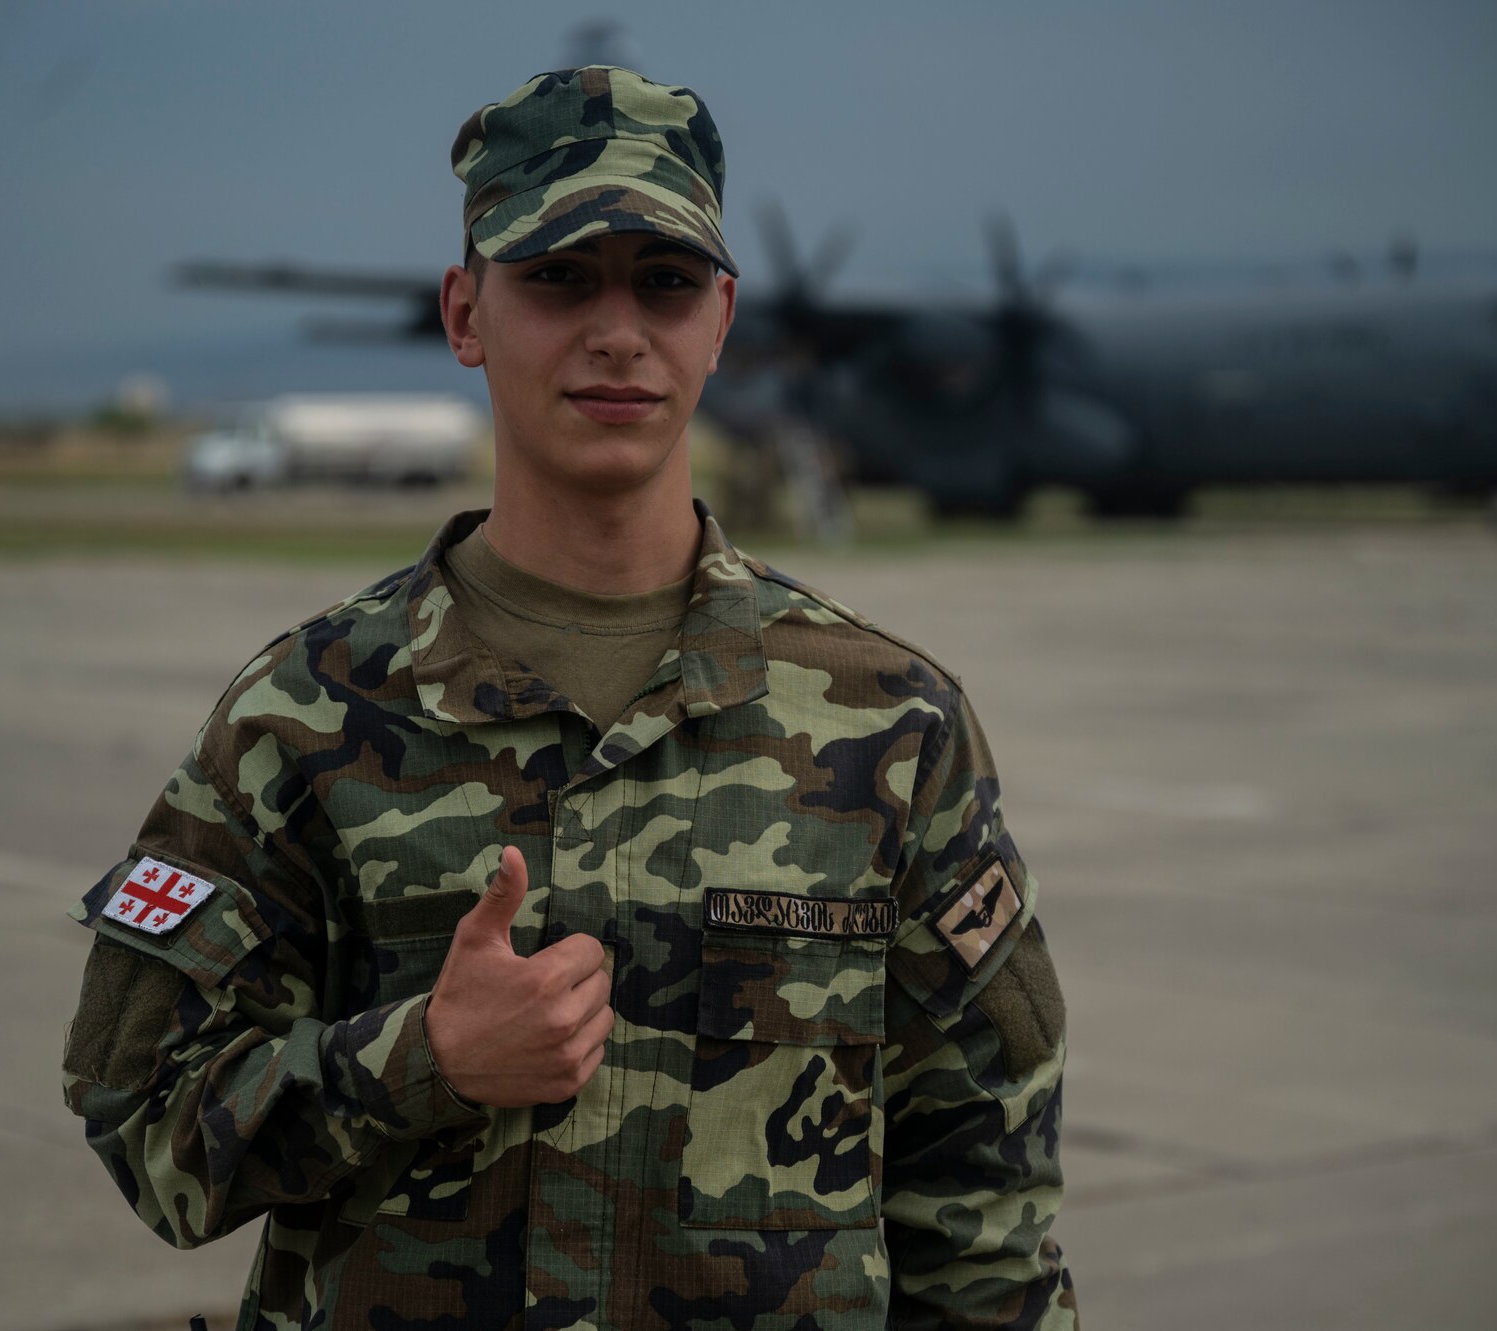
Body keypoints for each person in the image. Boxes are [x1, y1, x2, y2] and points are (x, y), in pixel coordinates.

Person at [60, 64, 1077, 1330]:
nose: (615, 331)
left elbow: (980, 1214)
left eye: (662, 282)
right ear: (463, 311)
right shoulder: (304, 714)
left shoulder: (888, 720)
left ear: (722, 318)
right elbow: (145, 1116)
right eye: (556, 278)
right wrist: (420, 1060)